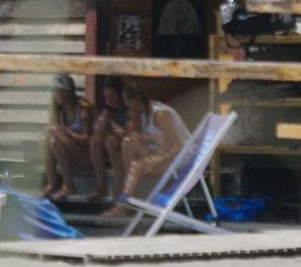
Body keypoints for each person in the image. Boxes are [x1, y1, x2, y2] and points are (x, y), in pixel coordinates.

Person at [104, 82, 192, 215]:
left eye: (128, 104)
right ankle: (131, 195)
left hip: (178, 159)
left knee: (137, 166)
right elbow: (138, 136)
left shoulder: (160, 115)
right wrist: (144, 133)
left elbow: (177, 146)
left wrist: (157, 160)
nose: (127, 107)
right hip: (163, 153)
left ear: (135, 101)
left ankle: (125, 203)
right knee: (128, 142)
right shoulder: (144, 112)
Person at [41, 74, 92, 201]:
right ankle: (52, 183)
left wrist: (67, 131)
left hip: (86, 157)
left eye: (61, 91)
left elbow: (87, 140)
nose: (57, 95)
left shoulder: (82, 108)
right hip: (68, 156)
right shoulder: (60, 110)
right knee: (46, 136)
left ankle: (69, 185)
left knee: (56, 140)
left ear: (69, 92)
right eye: (55, 91)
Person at [88, 79, 130, 200]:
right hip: (114, 147)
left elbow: (125, 134)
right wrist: (105, 116)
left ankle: (119, 186)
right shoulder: (109, 109)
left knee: (111, 141)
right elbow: (97, 129)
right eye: (106, 97)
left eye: (111, 97)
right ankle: (102, 187)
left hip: (129, 147)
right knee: (94, 140)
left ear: (120, 95)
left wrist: (111, 121)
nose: (108, 100)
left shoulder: (129, 108)